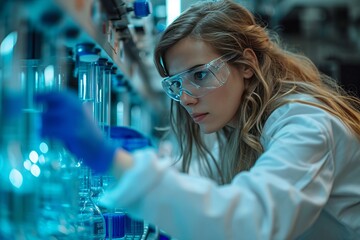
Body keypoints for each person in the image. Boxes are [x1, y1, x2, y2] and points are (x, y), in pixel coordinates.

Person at [35, 0, 360, 239]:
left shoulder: (306, 126)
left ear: (246, 65)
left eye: (201, 74)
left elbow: (250, 222)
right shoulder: (238, 130)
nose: (187, 98)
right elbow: (207, 195)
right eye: (176, 84)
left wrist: (111, 159)